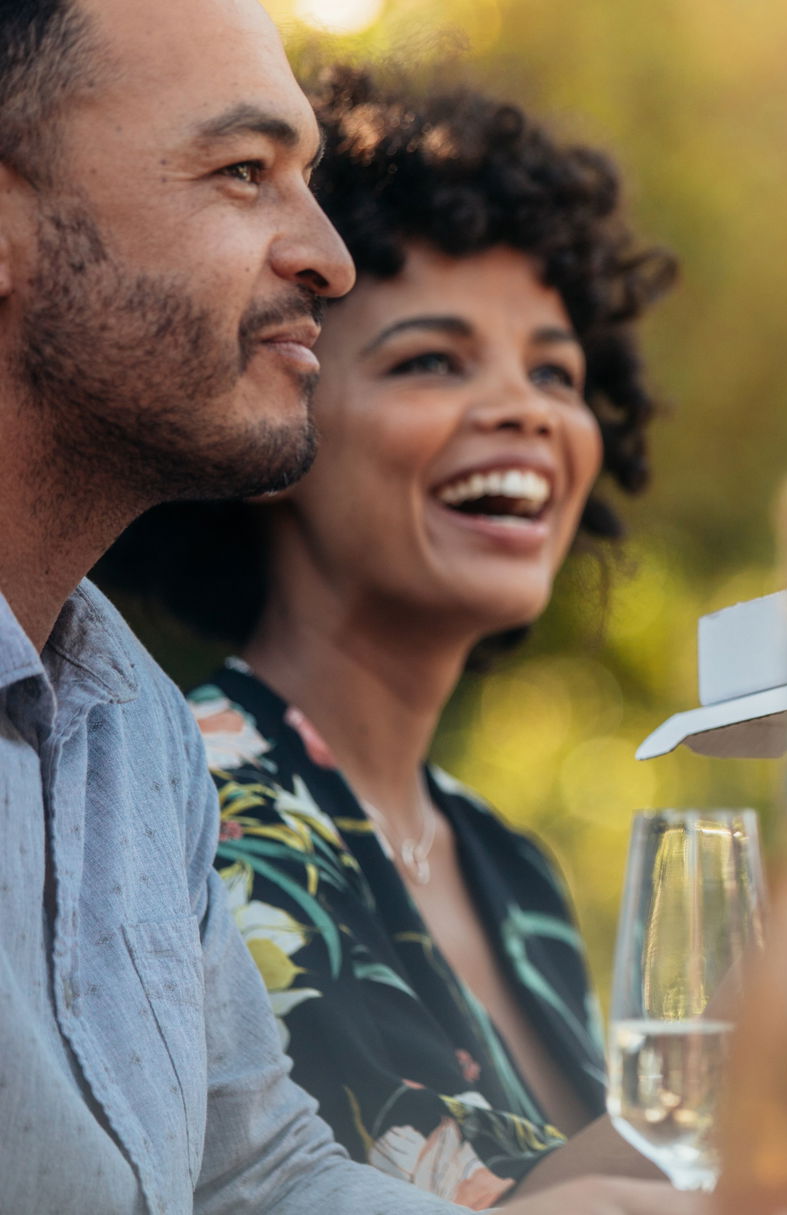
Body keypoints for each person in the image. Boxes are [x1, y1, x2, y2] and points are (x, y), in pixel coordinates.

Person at [93, 68, 787, 1206]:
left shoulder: (503, 859)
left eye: (556, 372)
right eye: (432, 361)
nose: (528, 410)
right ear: (279, 412)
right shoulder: (202, 802)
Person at [0, 0, 698, 1211]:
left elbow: (255, 1176)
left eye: (556, 371)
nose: (325, 259)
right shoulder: (224, 784)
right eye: (242, 172)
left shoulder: (133, 739)